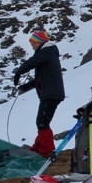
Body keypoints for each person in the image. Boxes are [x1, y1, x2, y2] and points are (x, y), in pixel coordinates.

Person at [13, 29, 66, 157]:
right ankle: (38, 147)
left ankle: (46, 151)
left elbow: (32, 62)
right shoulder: (47, 53)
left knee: (42, 122)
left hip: (50, 94)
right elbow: (42, 78)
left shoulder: (47, 51)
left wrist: (19, 71)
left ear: (39, 41)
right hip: (51, 93)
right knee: (42, 121)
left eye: (33, 41)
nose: (31, 44)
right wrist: (25, 86)